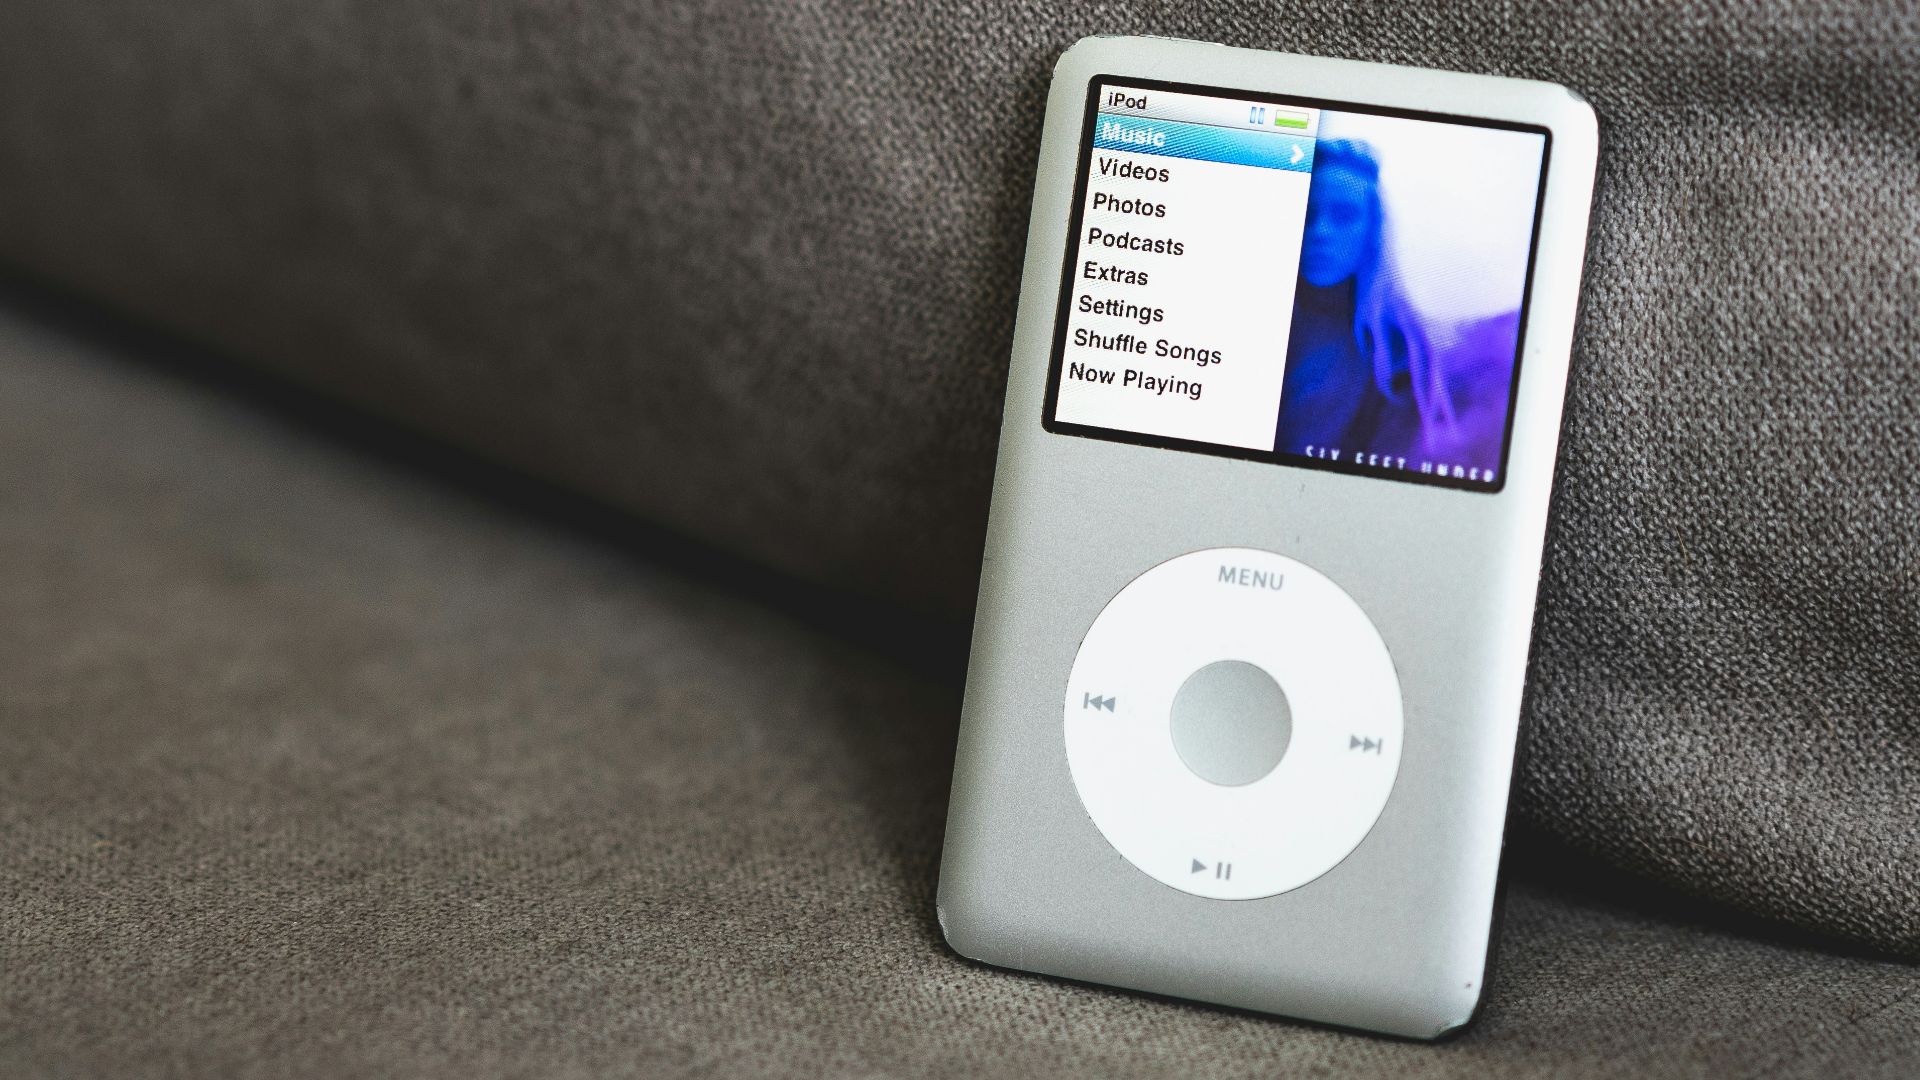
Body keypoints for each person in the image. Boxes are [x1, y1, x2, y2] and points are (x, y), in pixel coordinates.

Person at [1274, 139, 1464, 467]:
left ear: (1372, 229)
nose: (1319, 232)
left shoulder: (1397, 348)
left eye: (1344, 215)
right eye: (1306, 214)